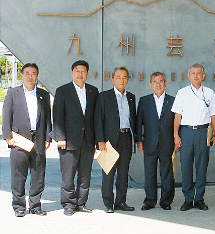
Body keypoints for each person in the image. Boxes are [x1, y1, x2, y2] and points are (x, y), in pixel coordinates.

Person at [2, 63, 51, 217]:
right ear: (22, 75)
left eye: (34, 73)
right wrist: (8, 137)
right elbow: (6, 116)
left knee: (38, 175)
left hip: (39, 140)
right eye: (27, 73)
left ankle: (35, 206)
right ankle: (19, 207)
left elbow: (47, 118)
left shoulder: (43, 95)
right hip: (19, 140)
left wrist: (48, 136)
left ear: (37, 76)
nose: (30, 76)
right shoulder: (13, 93)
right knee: (18, 175)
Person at [52, 60, 99, 216]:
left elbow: (96, 118)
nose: (80, 74)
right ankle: (68, 203)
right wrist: (60, 137)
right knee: (68, 174)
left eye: (83, 71)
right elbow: (57, 116)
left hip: (88, 140)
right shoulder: (63, 91)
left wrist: (97, 140)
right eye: (77, 71)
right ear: (72, 73)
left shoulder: (93, 91)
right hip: (68, 141)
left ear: (87, 73)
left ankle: (81, 203)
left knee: (85, 174)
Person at [171, 64, 215, 211]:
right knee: (186, 166)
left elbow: (213, 115)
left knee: (202, 166)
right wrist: (175, 135)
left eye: (199, 73)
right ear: (188, 75)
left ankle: (199, 199)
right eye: (193, 73)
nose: (196, 75)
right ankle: (188, 198)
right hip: (186, 132)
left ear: (203, 76)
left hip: (203, 132)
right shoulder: (182, 93)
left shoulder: (209, 92)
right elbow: (177, 116)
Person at [95, 66, 137, 213]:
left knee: (123, 173)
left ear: (127, 79)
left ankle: (121, 202)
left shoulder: (131, 97)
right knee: (108, 172)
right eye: (118, 77)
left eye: (124, 77)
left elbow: (134, 119)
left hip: (126, 137)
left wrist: (136, 139)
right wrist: (100, 140)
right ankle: (108, 203)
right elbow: (98, 119)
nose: (121, 80)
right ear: (113, 79)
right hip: (109, 141)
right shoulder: (104, 96)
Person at [136, 72, 175, 211]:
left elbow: (178, 123)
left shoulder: (173, 100)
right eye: (155, 82)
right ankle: (150, 201)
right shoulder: (144, 101)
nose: (158, 84)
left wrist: (177, 140)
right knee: (150, 173)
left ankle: (166, 201)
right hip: (149, 143)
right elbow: (139, 122)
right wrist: (139, 141)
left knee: (167, 173)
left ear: (165, 84)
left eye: (161, 81)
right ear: (150, 85)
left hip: (167, 142)